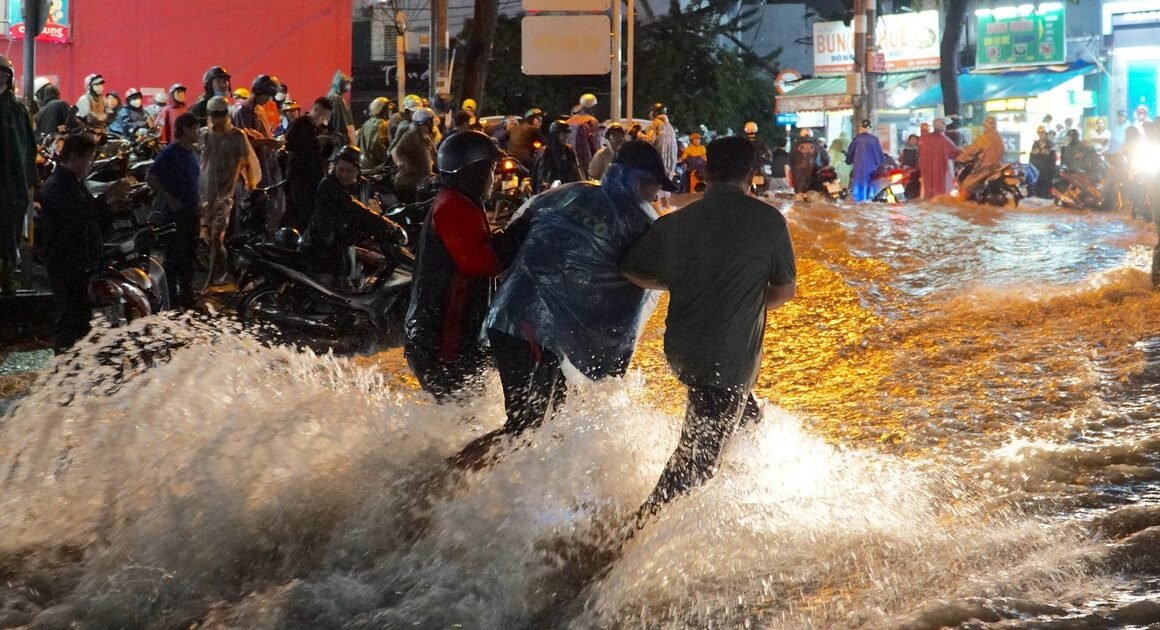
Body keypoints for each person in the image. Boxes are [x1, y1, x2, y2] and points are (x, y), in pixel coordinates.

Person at [455, 141, 673, 469]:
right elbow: (640, 288)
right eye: (656, 187)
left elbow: (506, 245)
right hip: (530, 330)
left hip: (512, 319)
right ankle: (445, 479)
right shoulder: (639, 224)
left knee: (549, 420)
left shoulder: (565, 194)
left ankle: (510, 493)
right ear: (641, 180)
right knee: (527, 427)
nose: (656, 196)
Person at [622, 135, 795, 524]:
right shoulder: (769, 221)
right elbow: (784, 290)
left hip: (684, 352)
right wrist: (739, 300)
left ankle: (736, 498)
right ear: (752, 175)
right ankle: (624, 540)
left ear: (704, 173)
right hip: (728, 356)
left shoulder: (676, 223)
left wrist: (686, 283)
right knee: (695, 467)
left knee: (748, 421)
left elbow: (633, 271)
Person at [404, 131, 522, 403]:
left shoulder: (461, 200)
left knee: (465, 414)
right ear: (474, 170)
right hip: (443, 341)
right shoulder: (453, 205)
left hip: (453, 336)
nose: (494, 178)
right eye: (491, 169)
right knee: (461, 416)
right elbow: (481, 261)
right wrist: (519, 232)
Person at [39, 134, 132, 350]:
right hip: (66, 263)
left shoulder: (74, 183)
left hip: (82, 261)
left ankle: (75, 366)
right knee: (69, 318)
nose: (90, 165)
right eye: (89, 159)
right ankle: (63, 366)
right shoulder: (57, 186)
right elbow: (78, 216)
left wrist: (114, 206)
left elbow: (92, 217)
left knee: (81, 320)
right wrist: (107, 197)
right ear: (74, 157)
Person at [300, 146, 406, 288]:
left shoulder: (362, 187)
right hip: (321, 253)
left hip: (343, 252)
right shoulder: (328, 186)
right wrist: (387, 225)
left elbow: (369, 211)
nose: (344, 175)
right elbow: (354, 209)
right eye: (340, 170)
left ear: (358, 171)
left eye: (349, 171)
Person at [199, 96, 260, 290]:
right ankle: (226, 273)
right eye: (214, 115)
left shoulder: (236, 136)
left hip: (225, 193)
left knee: (217, 237)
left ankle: (214, 279)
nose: (217, 119)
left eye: (221, 114)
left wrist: (251, 185)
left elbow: (248, 163)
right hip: (205, 193)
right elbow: (201, 163)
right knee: (210, 238)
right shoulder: (205, 135)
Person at [146, 113, 201, 309]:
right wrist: (169, 198)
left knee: (188, 257)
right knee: (174, 258)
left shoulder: (193, 153)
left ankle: (187, 296)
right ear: (185, 129)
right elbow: (151, 177)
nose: (198, 132)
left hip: (191, 212)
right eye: (195, 128)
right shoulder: (170, 153)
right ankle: (170, 299)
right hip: (175, 214)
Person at [0, 56, 38, 295]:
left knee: (10, 231)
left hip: (13, 184)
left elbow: (28, 148)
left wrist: (30, 181)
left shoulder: (17, 109)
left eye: (4, 73)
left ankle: (7, 277)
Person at [232, 75, 286, 228]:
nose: (268, 99)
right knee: (251, 208)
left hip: (265, 164)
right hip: (250, 169)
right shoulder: (242, 111)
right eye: (267, 95)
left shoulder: (260, 110)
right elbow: (243, 142)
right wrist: (268, 142)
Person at [284, 97, 334, 230]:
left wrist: (329, 144)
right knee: (303, 212)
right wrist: (316, 142)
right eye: (323, 116)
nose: (323, 120)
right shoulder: (300, 123)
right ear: (316, 110)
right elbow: (291, 145)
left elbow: (321, 155)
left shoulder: (317, 128)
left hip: (314, 177)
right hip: (301, 177)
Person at [391, 107, 437, 205]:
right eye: (432, 120)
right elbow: (395, 151)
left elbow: (435, 155)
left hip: (419, 185)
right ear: (427, 122)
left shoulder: (426, 137)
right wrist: (401, 163)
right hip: (408, 185)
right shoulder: (412, 134)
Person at [956, 116, 1005, 201]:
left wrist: (959, 159)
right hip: (996, 167)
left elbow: (971, 151)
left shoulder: (984, 138)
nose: (984, 128)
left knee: (966, 186)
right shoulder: (999, 138)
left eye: (985, 126)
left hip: (984, 169)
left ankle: (959, 205)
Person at [642, 103, 678, 210]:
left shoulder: (655, 123)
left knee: (655, 187)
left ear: (654, 113)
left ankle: (655, 212)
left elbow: (649, 139)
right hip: (669, 163)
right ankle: (667, 209)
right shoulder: (669, 126)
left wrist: (639, 135)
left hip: (657, 161)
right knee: (664, 188)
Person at [532, 118, 584, 193]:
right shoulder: (545, 152)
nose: (566, 137)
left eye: (567, 134)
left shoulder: (569, 150)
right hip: (549, 191)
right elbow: (539, 177)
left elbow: (576, 169)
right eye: (563, 134)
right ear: (555, 135)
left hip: (567, 189)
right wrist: (544, 187)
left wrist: (580, 186)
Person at [916, 119, 960, 200]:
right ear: (942, 126)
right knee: (943, 192)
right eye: (945, 124)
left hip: (927, 171)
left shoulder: (925, 139)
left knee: (927, 191)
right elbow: (955, 152)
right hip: (942, 171)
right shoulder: (945, 140)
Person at [846, 119, 884, 202]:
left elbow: (850, 154)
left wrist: (848, 161)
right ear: (870, 128)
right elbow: (880, 156)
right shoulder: (875, 140)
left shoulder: (857, 139)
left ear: (860, 128)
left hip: (858, 169)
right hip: (872, 169)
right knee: (872, 188)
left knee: (858, 191)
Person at [567, 93, 600, 177]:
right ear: (592, 107)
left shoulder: (570, 120)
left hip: (569, 159)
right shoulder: (591, 121)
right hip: (585, 159)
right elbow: (594, 143)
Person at [790, 128, 829, 194]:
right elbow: (826, 160)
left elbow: (791, 161)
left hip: (799, 179)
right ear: (811, 135)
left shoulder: (795, 146)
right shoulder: (818, 145)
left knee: (800, 200)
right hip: (816, 178)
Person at [357, 97, 392, 169]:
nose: (390, 111)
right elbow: (378, 145)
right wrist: (388, 160)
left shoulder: (366, 123)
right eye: (388, 109)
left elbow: (358, 143)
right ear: (383, 110)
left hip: (364, 164)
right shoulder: (382, 124)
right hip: (377, 166)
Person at [327, 70, 356, 145]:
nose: (348, 86)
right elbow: (340, 122)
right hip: (340, 140)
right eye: (346, 83)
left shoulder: (334, 97)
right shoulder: (336, 99)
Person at [1028, 125, 1057, 198]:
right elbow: (1031, 158)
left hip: (1046, 172)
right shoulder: (1035, 144)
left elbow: (1053, 159)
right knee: (1036, 192)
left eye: (1042, 133)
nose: (1041, 135)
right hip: (1037, 171)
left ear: (1045, 133)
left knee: (1045, 192)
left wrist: (1047, 154)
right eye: (1039, 133)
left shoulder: (1050, 144)